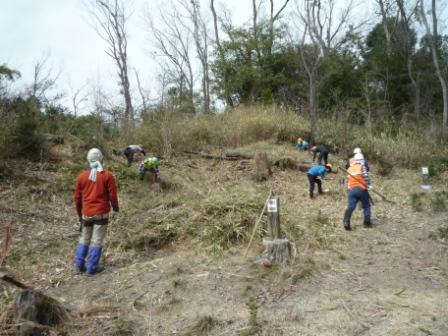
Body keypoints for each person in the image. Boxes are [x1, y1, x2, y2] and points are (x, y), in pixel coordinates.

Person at [74, 148, 119, 275]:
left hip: (86, 213)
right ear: (101, 160)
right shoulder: (107, 176)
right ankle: (91, 268)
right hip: (101, 213)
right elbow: (113, 196)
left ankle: (79, 266)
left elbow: (77, 199)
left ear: (88, 160)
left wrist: (79, 214)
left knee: (84, 239)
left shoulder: (81, 177)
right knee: (97, 240)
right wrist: (115, 208)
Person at [343, 158, 371, 231]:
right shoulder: (361, 166)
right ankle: (366, 223)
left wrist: (348, 190)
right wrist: (368, 185)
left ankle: (346, 221)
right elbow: (366, 177)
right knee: (366, 206)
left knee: (351, 207)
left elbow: (346, 182)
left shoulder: (349, 170)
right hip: (361, 189)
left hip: (352, 191)